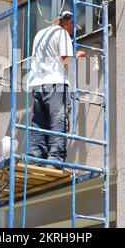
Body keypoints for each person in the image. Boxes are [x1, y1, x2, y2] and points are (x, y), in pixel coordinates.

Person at [27, 11, 86, 167]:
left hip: (38, 84)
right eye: (73, 27)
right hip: (56, 83)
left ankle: (35, 159)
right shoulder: (62, 33)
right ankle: (54, 160)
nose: (73, 31)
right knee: (58, 121)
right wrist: (78, 56)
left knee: (39, 123)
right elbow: (65, 59)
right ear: (68, 22)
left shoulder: (40, 34)